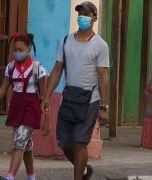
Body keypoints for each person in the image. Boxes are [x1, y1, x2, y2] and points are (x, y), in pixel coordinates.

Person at [43, 2, 109, 180]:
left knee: (80, 142)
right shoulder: (66, 41)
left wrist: (104, 107)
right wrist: (47, 96)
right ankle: (84, 170)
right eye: (80, 13)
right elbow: (57, 69)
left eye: (86, 14)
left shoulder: (100, 45)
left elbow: (103, 76)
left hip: (90, 101)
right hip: (69, 99)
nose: (82, 17)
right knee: (64, 143)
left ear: (94, 18)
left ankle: (78, 177)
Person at [0, 32, 51, 180]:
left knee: (19, 141)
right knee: (26, 145)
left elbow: (45, 97)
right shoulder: (11, 67)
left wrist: (47, 119)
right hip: (17, 106)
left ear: (29, 49)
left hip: (32, 108)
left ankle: (10, 176)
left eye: (21, 50)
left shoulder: (37, 69)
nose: (17, 53)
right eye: (15, 49)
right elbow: (3, 88)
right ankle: (31, 176)